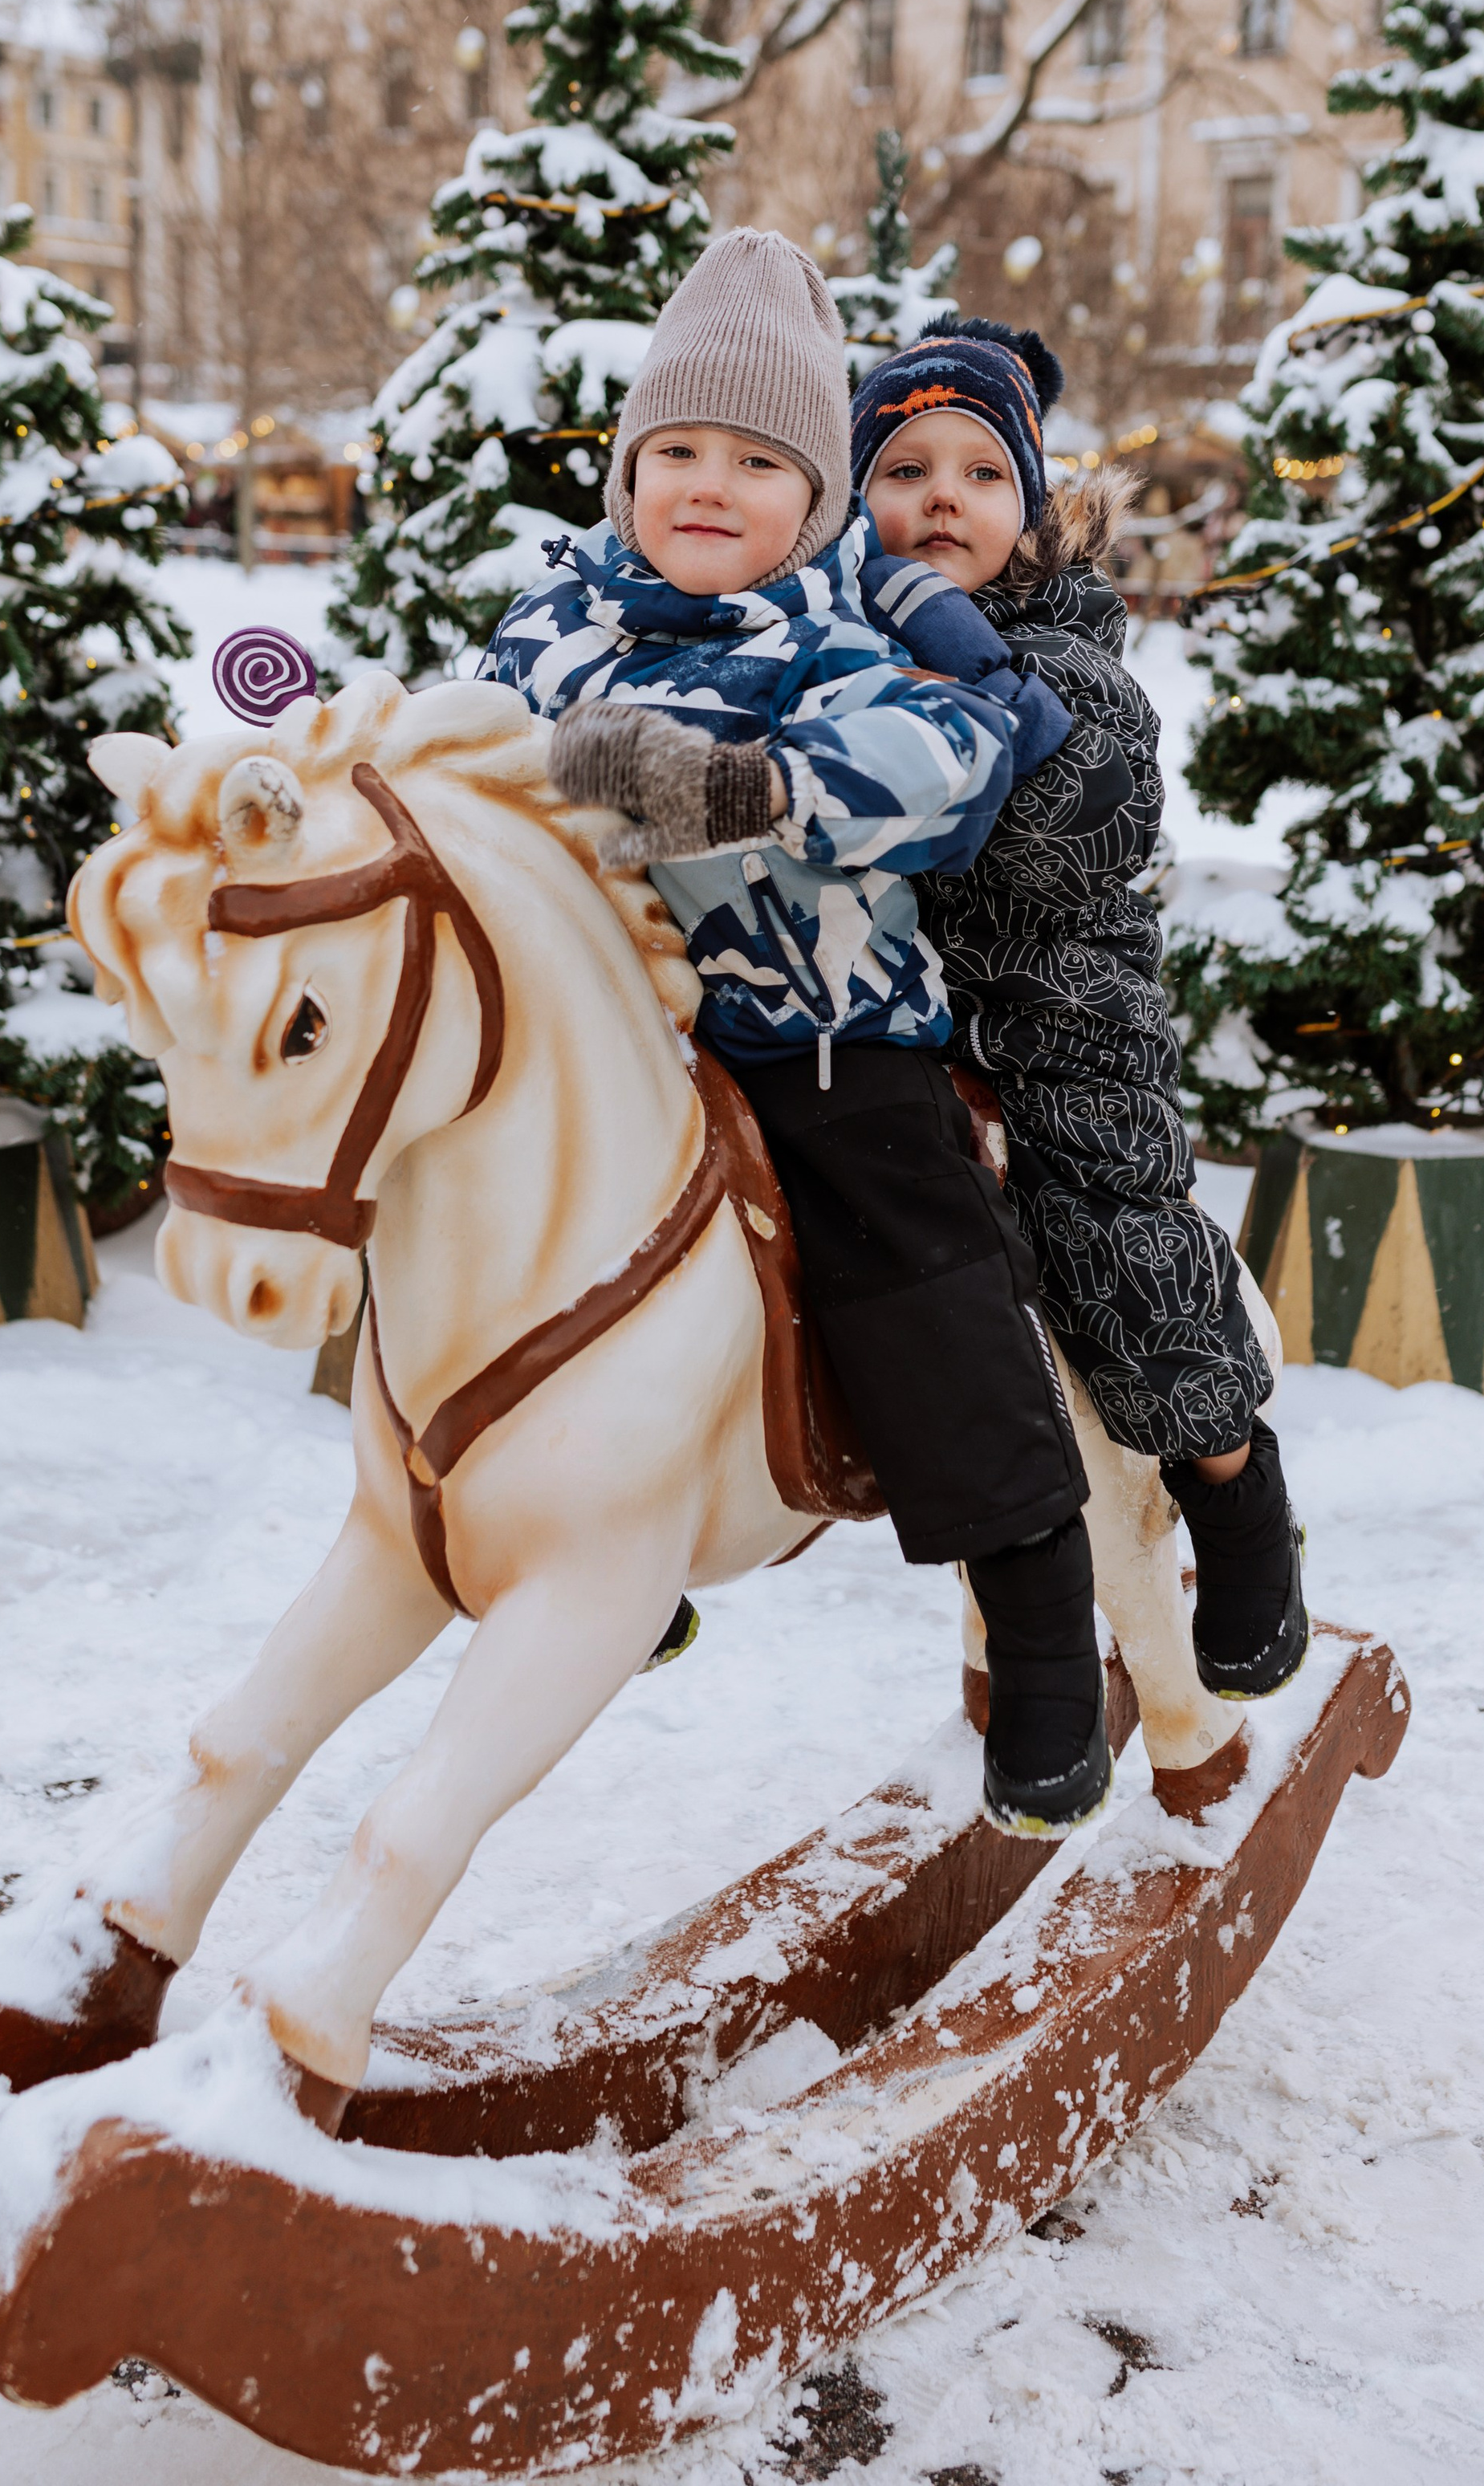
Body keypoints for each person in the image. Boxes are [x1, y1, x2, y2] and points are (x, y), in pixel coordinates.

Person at [490, 229, 1117, 1833]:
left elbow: (954, 752)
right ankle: (587, 1533)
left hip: (820, 1040)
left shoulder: (847, 623)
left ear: (816, 501)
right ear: (624, 474)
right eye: (674, 451)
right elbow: (483, 752)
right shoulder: (555, 623)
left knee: (919, 1279)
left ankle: (1040, 1618)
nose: (708, 484)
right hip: (613, 1049)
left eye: (758, 459)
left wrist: (763, 787)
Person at [851, 316, 1307, 1700]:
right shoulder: (821, 643)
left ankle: (1232, 1491)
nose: (942, 497)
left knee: (1117, 1243)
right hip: (886, 1021)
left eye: (981, 474)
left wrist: (959, 677)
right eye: (903, 468)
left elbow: (1079, 820)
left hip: (1058, 1010)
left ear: (1032, 509)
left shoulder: (1069, 650)